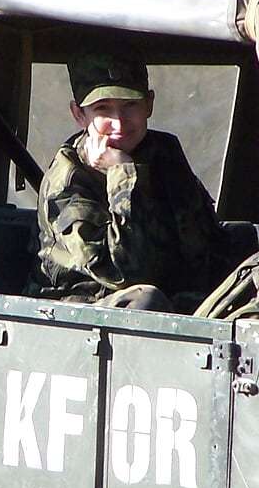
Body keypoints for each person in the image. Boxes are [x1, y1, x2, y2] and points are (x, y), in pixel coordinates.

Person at [35, 41, 232, 312]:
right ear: (79, 114)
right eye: (103, 108)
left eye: (130, 105)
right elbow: (124, 273)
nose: (119, 122)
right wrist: (123, 173)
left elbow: (206, 246)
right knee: (146, 301)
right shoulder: (69, 180)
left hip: (177, 299)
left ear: (149, 104)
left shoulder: (163, 154)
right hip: (88, 311)